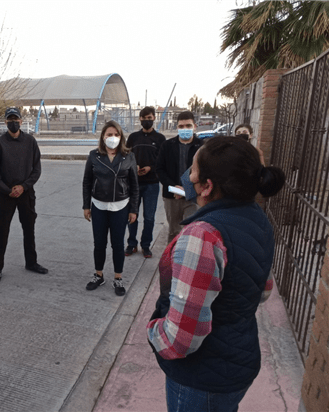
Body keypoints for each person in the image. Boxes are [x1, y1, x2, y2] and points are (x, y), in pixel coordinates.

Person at [147, 136, 285, 412]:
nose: (188, 176)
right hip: (238, 361)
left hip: (201, 378)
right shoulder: (256, 218)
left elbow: (181, 339)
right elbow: (263, 290)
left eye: (194, 170)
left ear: (207, 186)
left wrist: (154, 331)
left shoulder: (202, 235)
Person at [0, 107, 48, 283]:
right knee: (1, 232)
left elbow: (36, 169)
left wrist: (23, 186)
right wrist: (7, 190)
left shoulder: (30, 142)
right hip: (6, 195)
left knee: (29, 230)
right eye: (9, 120)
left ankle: (31, 262)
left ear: (21, 121)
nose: (13, 123)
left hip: (26, 194)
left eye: (16, 119)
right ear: (5, 122)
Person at [82, 120, 140, 296]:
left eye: (116, 134)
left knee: (117, 244)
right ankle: (98, 275)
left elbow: (134, 185)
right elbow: (87, 182)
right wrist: (86, 206)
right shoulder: (94, 155)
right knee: (99, 243)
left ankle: (118, 278)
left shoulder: (128, 156)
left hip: (121, 206)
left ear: (121, 137)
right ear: (103, 136)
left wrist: (133, 209)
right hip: (98, 205)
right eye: (109, 134)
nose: (112, 137)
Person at [125, 106, 166, 258]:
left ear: (154, 118)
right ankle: (131, 244)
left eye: (150, 118)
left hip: (152, 184)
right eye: (144, 118)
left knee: (149, 217)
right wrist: (133, 166)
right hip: (134, 184)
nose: (147, 121)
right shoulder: (133, 137)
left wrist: (151, 168)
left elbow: (163, 162)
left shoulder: (160, 139)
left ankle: (146, 245)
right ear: (140, 119)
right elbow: (126, 156)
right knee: (132, 215)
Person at [156, 111, 203, 244]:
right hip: (172, 197)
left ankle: (187, 261)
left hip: (193, 197)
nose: (184, 129)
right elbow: (159, 169)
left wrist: (189, 189)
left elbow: (206, 171)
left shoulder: (202, 146)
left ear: (194, 126)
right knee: (174, 231)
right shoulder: (167, 145)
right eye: (181, 126)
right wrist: (173, 187)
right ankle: (172, 260)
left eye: (188, 126)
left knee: (191, 230)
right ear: (177, 127)